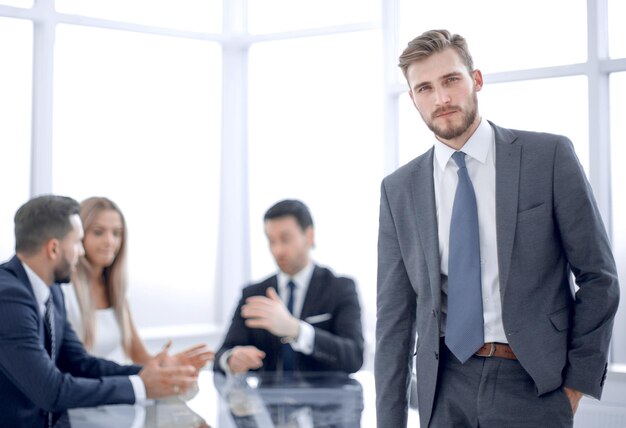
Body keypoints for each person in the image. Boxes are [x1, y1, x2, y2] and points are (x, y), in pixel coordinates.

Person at [375, 29, 620, 428]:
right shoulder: (399, 189)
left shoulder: (548, 157)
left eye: (451, 80)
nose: (441, 98)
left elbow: (599, 278)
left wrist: (576, 384)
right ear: (413, 99)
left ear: (476, 80)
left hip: (532, 385)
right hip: (444, 388)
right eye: (425, 88)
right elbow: (394, 319)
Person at [0, 195, 198, 427]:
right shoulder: (8, 297)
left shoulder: (51, 290)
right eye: (76, 243)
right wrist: (141, 386)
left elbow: (80, 363)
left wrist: (152, 374)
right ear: (53, 249)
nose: (81, 252)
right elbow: (51, 391)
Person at [215, 199, 364, 374]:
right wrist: (232, 359)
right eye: (271, 241)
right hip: (267, 400)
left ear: (308, 236)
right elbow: (221, 355)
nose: (277, 250)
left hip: (324, 400)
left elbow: (354, 357)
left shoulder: (340, 288)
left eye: (285, 239)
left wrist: (296, 330)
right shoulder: (253, 294)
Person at [62, 196, 213, 368]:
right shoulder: (64, 291)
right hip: (86, 388)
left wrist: (169, 364)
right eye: (98, 232)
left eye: (117, 233)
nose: (110, 241)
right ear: (79, 235)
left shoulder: (115, 291)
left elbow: (140, 357)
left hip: (112, 387)